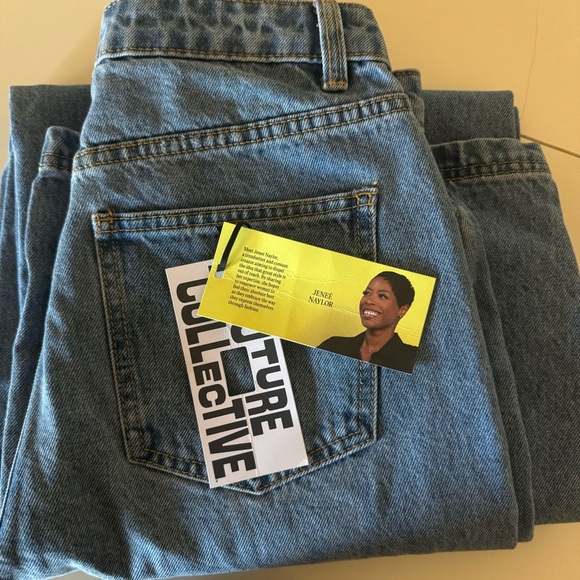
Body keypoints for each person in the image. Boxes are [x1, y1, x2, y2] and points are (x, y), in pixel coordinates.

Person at [318, 271, 418, 372]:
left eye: (382, 296)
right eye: (367, 293)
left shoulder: (413, 359)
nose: (369, 300)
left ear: (402, 310)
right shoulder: (333, 346)